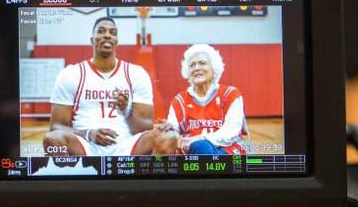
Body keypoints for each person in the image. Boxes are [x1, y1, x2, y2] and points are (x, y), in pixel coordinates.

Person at [43, 16, 175, 157]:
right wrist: (88, 133)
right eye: (101, 31)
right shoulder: (71, 74)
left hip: (127, 143)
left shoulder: (136, 74)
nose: (107, 35)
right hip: (85, 144)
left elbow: (146, 126)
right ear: (92, 40)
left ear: (116, 41)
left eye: (113, 33)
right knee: (53, 140)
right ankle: (75, 178)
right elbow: (56, 126)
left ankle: (145, 179)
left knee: (167, 139)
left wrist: (127, 111)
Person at [165, 44, 248, 155]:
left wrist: (198, 139)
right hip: (192, 153)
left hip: (226, 150)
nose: (197, 68)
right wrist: (171, 135)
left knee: (203, 147)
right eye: (192, 65)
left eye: (202, 63)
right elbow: (173, 131)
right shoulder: (179, 100)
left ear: (214, 69)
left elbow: (230, 132)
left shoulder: (230, 94)